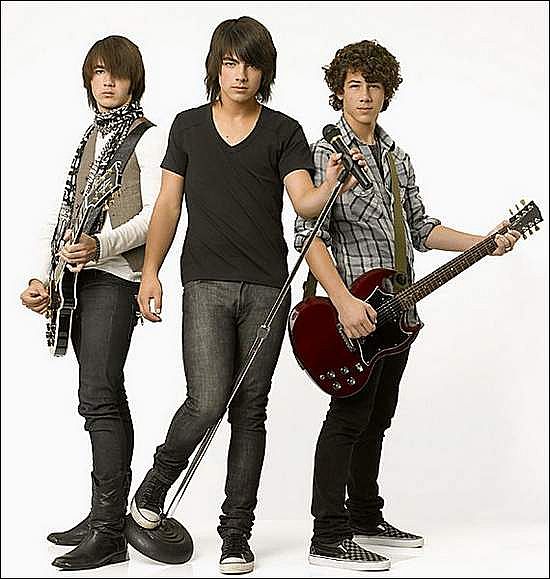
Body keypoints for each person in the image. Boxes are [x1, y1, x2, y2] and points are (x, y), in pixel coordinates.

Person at [129, 16, 361, 575]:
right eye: (231, 62)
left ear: (265, 72)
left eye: (252, 64)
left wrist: (331, 183)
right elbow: (167, 206)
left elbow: (304, 203)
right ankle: (156, 484)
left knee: (250, 411)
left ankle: (236, 535)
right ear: (216, 67)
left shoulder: (284, 130)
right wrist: (150, 272)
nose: (240, 74)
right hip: (204, 284)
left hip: (267, 289)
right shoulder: (187, 127)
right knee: (207, 400)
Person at [294, 39, 520, 572]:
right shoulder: (326, 153)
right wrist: (344, 302)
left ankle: (364, 517)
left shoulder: (397, 158)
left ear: (386, 92)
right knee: (348, 417)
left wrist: (484, 241)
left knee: (378, 418)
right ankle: (328, 536)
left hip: (397, 312)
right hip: (352, 312)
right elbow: (308, 236)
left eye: (374, 85)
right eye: (354, 85)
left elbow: (421, 229)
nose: (364, 95)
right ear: (338, 92)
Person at [19, 35, 163, 570]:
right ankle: (105, 514)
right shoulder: (92, 137)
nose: (107, 82)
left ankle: (108, 532)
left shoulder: (148, 138)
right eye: (98, 73)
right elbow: (66, 215)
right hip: (76, 280)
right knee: (103, 398)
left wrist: (102, 245)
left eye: (117, 73)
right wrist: (42, 276)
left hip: (116, 278)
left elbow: (157, 215)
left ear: (133, 81)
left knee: (99, 397)